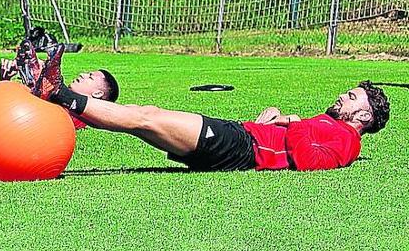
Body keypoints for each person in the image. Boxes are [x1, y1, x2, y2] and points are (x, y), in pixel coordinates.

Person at [37, 67, 390, 171]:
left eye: (352, 97)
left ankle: (60, 94)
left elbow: (311, 162)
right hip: (242, 137)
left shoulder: (348, 140)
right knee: (145, 119)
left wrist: (291, 122)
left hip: (239, 148)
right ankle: (61, 100)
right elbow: (292, 144)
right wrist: (272, 123)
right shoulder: (331, 125)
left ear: (363, 115)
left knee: (146, 118)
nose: (343, 96)